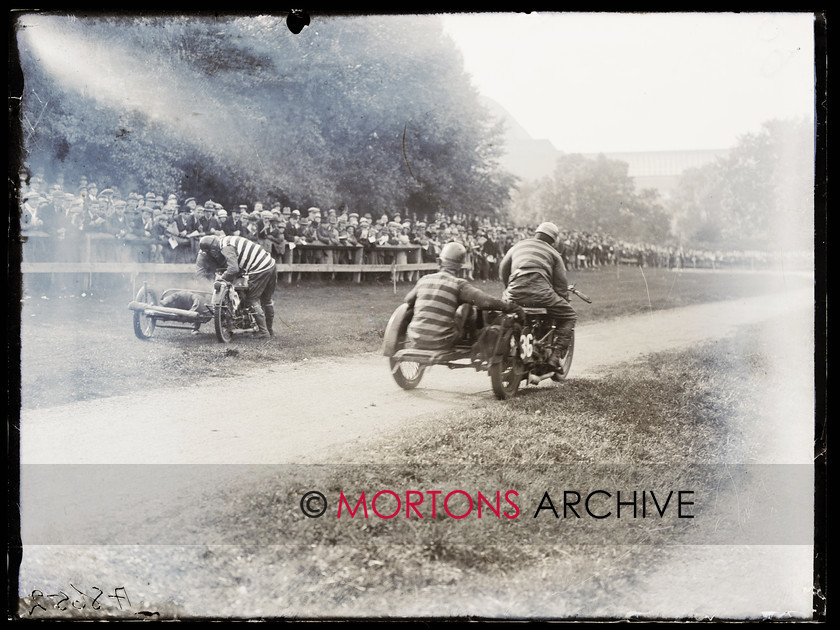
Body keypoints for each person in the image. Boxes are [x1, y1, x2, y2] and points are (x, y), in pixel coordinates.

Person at [403, 242, 524, 351]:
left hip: (415, 338)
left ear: (439, 262)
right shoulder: (458, 284)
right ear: (460, 266)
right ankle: (474, 339)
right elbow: (485, 302)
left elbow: (408, 300)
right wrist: (510, 306)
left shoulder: (424, 280)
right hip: (443, 341)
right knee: (467, 306)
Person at [499, 221, 576, 369]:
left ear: (536, 233)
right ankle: (555, 356)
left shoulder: (519, 245)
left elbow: (503, 268)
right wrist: (564, 299)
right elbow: (560, 285)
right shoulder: (554, 253)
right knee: (570, 315)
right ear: (553, 240)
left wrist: (508, 288)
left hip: (513, 294)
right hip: (542, 296)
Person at [196, 234, 277, 339]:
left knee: (251, 299)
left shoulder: (225, 247)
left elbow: (233, 269)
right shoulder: (226, 240)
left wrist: (222, 279)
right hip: (270, 264)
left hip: (260, 268)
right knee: (266, 300)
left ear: (213, 250)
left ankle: (263, 333)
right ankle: (269, 331)